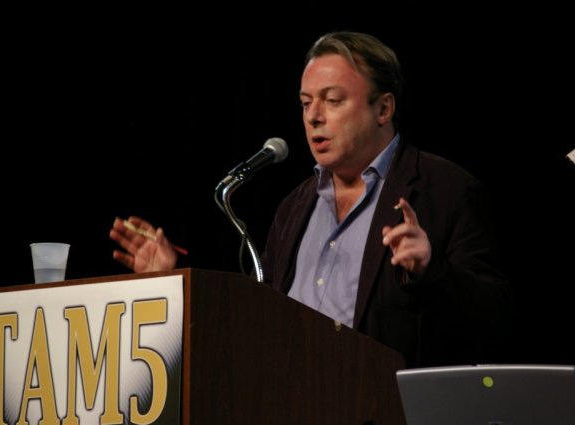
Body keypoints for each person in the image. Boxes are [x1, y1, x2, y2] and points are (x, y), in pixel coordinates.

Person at [110, 31, 510, 367]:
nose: (313, 116)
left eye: (333, 101)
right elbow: (258, 320)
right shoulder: (294, 207)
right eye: (305, 103)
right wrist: (176, 278)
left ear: (383, 108)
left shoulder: (446, 190)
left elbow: (494, 322)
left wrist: (431, 270)